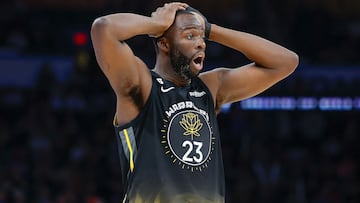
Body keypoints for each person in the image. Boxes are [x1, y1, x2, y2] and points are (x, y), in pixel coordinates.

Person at [90, 2, 298, 202]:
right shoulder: (143, 85)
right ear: (164, 43)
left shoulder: (210, 88)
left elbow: (285, 62)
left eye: (202, 39)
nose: (201, 44)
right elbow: (103, 29)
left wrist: (209, 29)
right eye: (189, 36)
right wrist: (156, 24)